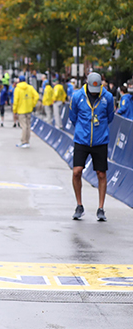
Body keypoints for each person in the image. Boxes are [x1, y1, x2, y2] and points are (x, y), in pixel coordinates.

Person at [69, 72, 114, 222]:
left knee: (101, 174)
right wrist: (82, 129)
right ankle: (79, 205)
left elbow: (110, 117)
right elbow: (73, 116)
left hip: (100, 141)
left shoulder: (107, 97)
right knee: (77, 171)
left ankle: (101, 208)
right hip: (82, 140)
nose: (94, 94)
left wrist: (99, 130)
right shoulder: (77, 96)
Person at [12, 74, 40, 148]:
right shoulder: (30, 88)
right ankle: (27, 141)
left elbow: (16, 101)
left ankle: (24, 141)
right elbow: (36, 96)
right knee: (28, 126)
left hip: (21, 110)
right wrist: (32, 104)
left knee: (23, 126)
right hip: (28, 109)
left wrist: (14, 110)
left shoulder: (17, 89)